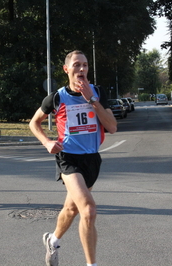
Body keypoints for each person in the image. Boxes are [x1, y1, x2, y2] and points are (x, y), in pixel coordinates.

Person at [29, 50, 117, 266]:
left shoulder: (97, 92)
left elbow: (112, 127)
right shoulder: (57, 97)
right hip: (68, 158)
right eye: (77, 65)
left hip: (92, 160)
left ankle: (53, 240)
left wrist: (93, 101)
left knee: (71, 209)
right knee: (88, 209)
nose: (82, 69)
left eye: (85, 65)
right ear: (66, 69)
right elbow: (33, 123)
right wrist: (47, 142)